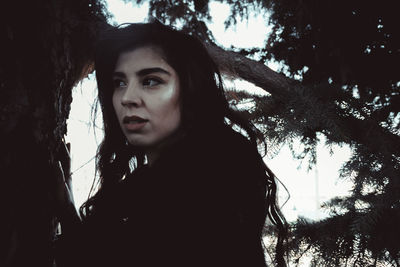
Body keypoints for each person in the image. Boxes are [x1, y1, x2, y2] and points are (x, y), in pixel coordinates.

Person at [55, 21, 287, 267]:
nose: (128, 98)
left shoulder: (211, 180)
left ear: (189, 88)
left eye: (151, 81)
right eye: (119, 83)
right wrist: (66, 205)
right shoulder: (149, 186)